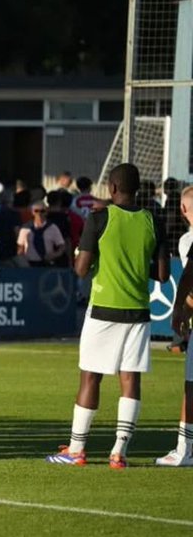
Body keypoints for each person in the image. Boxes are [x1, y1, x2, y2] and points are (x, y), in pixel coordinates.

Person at [48, 163, 168, 469]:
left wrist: (86, 255)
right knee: (130, 379)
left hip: (104, 308)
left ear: (112, 188)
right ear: (138, 189)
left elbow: (81, 269)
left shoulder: (99, 217)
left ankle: (76, 450)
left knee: (91, 376)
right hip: (138, 310)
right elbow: (164, 274)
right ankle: (119, 452)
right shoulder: (152, 219)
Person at [157, 185, 193, 466]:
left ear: (183, 209)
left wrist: (180, 308)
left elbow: (189, 279)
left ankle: (184, 450)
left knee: (191, 386)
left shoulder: (187, 241)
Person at [17, 201, 66, 267]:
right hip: (29, 264)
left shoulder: (52, 227)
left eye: (42, 211)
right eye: (36, 211)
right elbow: (20, 248)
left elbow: (62, 246)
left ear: (46, 212)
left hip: (47, 263)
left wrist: (55, 254)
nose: (39, 213)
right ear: (32, 212)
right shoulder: (25, 228)